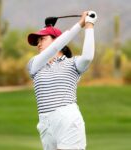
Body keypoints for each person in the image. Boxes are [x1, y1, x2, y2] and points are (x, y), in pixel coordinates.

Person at [27, 10, 97, 150]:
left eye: (43, 39)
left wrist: (89, 25)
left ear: (57, 40)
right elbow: (53, 49)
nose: (39, 44)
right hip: (45, 122)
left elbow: (88, 57)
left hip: (67, 118)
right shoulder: (34, 64)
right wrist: (79, 24)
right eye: (37, 41)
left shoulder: (73, 64)